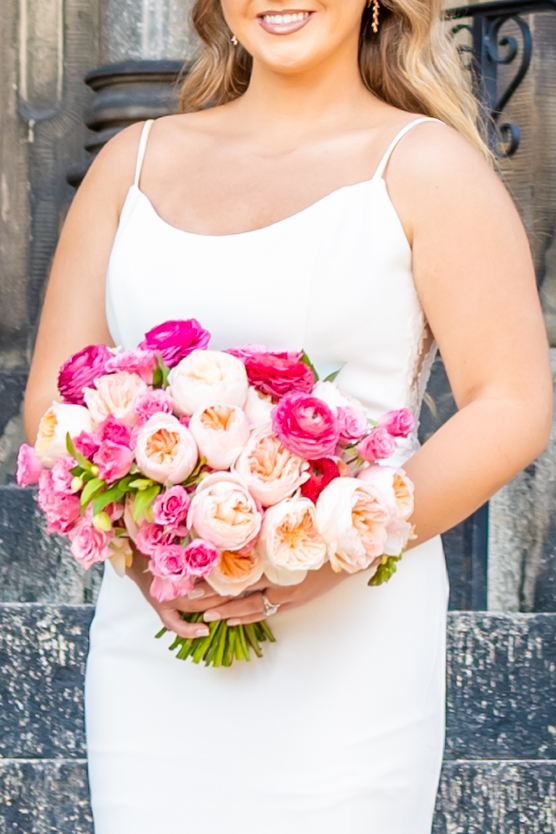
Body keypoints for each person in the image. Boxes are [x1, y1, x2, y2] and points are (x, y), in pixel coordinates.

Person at [23, 0, 551, 832]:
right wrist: (149, 554)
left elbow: (513, 402)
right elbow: (56, 397)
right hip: (155, 649)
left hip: (350, 656)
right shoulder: (131, 163)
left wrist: (344, 544)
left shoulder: (426, 166)